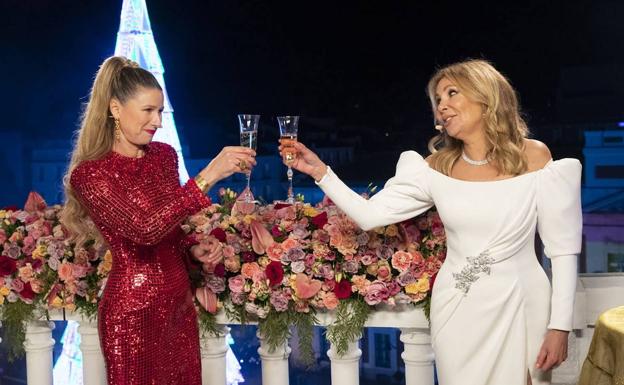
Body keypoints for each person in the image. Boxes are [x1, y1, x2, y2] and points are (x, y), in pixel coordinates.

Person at [280, 59, 581, 385]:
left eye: (452, 93)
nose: (442, 106)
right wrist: (320, 172)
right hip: (457, 311)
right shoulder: (434, 168)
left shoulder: (535, 158)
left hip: (523, 305)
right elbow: (371, 215)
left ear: (486, 96)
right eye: (438, 99)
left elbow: (562, 248)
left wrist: (560, 325)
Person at [61, 56, 256, 385]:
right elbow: (143, 229)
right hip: (133, 314)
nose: (158, 121)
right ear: (115, 109)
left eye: (161, 111)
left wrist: (191, 248)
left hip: (178, 305)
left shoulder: (164, 155)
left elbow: (168, 229)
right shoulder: (91, 175)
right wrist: (209, 175)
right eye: (148, 110)